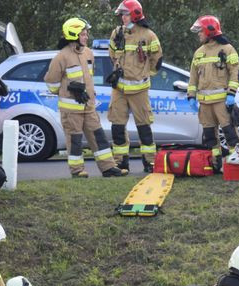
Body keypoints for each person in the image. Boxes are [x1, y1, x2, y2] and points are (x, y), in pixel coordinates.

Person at [45, 18, 127, 179]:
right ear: (73, 35)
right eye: (83, 34)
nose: (86, 36)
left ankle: (109, 168)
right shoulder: (61, 57)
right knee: (74, 140)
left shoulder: (88, 53)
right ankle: (77, 171)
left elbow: (89, 79)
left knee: (99, 137)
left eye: (86, 33)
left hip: (88, 107)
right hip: (71, 110)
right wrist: (69, 89)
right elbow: (51, 84)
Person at [107, 1, 162, 172]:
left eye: (126, 14)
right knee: (117, 126)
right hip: (120, 90)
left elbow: (157, 60)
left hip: (139, 90)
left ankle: (150, 162)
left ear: (135, 14)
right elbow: (112, 54)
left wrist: (144, 73)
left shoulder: (148, 35)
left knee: (144, 127)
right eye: (122, 14)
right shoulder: (117, 33)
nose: (123, 17)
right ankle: (120, 162)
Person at [187, 16, 239, 172]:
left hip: (221, 102)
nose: (199, 35)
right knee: (210, 136)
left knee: (230, 133)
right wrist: (191, 95)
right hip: (204, 103)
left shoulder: (228, 49)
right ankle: (216, 164)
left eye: (200, 31)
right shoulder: (199, 52)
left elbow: (235, 73)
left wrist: (231, 94)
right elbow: (193, 77)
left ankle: (235, 163)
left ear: (209, 31)